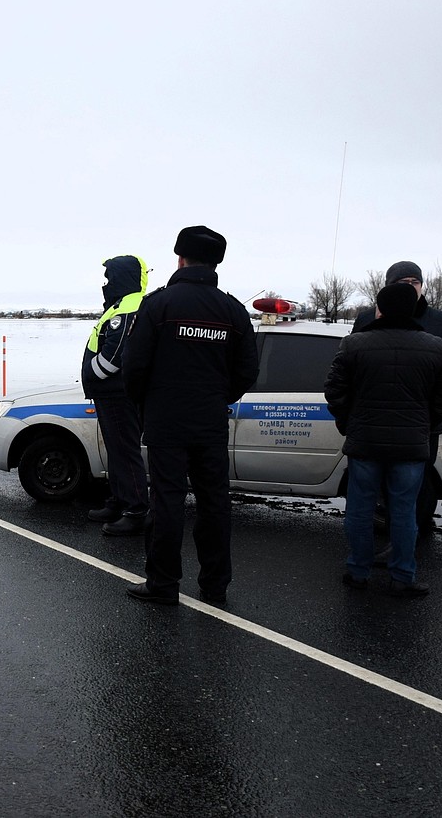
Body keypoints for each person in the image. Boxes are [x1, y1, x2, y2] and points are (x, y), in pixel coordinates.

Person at [120, 226, 258, 605]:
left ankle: (163, 584)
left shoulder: (159, 305)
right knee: (215, 501)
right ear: (215, 263)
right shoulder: (232, 310)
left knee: (167, 499)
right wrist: (218, 396)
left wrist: (146, 405)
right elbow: (247, 371)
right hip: (210, 419)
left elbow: (134, 366)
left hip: (166, 420)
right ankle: (215, 584)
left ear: (180, 258)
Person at [325, 282, 442, 596]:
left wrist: (349, 423)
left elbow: (334, 391)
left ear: (379, 310)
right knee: (403, 511)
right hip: (411, 446)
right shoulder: (435, 346)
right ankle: (403, 577)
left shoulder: (354, 344)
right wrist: (423, 426)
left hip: (365, 442)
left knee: (359, 508)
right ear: (413, 310)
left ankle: (358, 572)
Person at [353, 260, 442, 557]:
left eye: (414, 282)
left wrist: (430, 405)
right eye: (402, 282)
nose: (410, 287)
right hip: (373, 423)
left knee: (415, 487)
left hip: (421, 424)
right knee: (374, 490)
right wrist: (353, 414)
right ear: (388, 285)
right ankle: (364, 560)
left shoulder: (441, 322)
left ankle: (405, 550)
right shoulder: (366, 319)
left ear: (421, 286)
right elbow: (348, 370)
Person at [80, 255, 150, 535]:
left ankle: (135, 510)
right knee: (116, 451)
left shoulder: (129, 307)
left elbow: (114, 356)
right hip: (110, 394)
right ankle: (119, 500)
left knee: (125, 451)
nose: (105, 284)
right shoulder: (121, 305)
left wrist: (92, 374)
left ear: (123, 277)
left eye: (109, 278)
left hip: (118, 394)